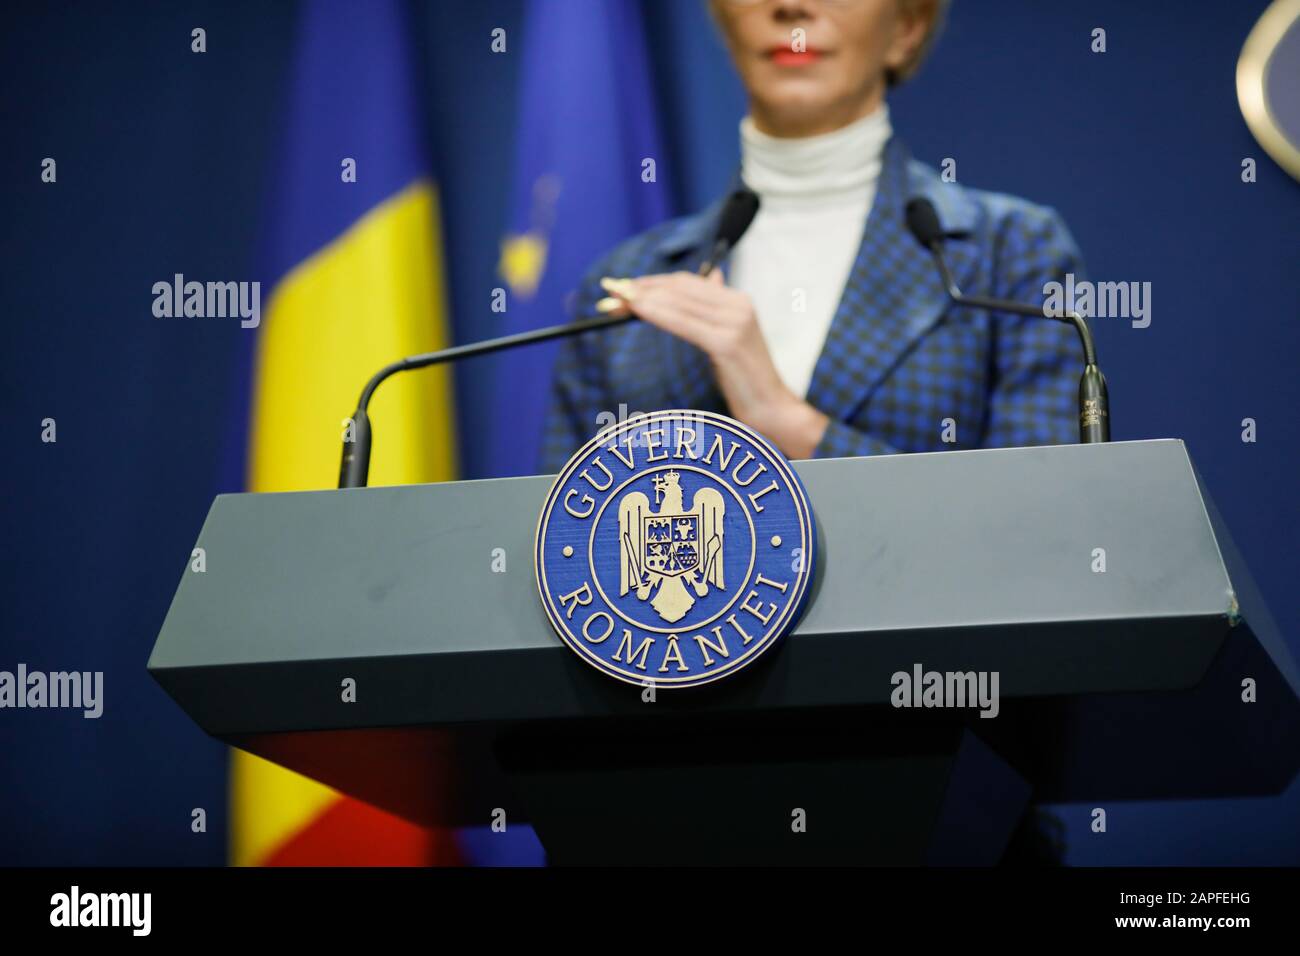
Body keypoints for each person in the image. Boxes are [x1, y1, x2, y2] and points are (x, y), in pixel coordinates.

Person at [541, 0, 1085, 471]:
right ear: (724, 23)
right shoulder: (627, 281)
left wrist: (787, 423)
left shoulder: (1012, 252)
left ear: (906, 28)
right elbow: (565, 546)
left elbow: (1034, 530)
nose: (791, 8)